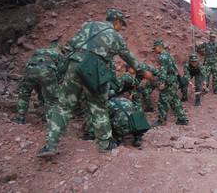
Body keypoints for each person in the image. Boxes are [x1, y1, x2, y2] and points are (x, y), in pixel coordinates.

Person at [37, 8, 143, 158]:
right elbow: (128, 57)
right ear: (117, 22)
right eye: (121, 25)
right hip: (94, 69)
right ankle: (105, 144)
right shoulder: (115, 35)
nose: (121, 28)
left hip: (75, 65)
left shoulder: (89, 25)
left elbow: (69, 45)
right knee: (99, 107)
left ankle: (51, 144)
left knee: (63, 105)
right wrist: (140, 70)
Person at [12, 39, 64, 124]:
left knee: (24, 93)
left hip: (30, 70)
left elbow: (28, 63)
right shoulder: (58, 54)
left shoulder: (39, 51)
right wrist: (56, 84)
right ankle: (51, 123)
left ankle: (20, 119)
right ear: (58, 48)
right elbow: (61, 71)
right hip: (47, 72)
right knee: (52, 99)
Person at [152, 39, 188, 126]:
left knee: (162, 100)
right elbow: (175, 68)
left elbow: (163, 71)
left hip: (168, 81)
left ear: (159, 47)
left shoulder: (162, 57)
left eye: (155, 48)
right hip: (173, 80)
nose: (154, 50)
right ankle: (182, 119)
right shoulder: (168, 55)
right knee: (174, 100)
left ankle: (162, 120)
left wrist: (162, 83)